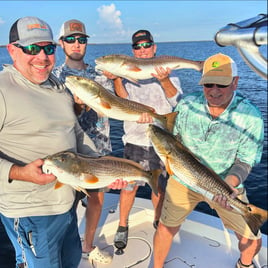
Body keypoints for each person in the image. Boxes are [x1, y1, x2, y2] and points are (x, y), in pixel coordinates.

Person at [0, 16, 126, 268]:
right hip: (31, 211)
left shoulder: (56, 85)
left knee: (69, 261)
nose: (42, 57)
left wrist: (105, 166)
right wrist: (18, 172)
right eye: (32, 48)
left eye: (48, 49)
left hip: (66, 204)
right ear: (12, 49)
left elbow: (75, 131)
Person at [153, 53, 264, 268]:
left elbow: (245, 160)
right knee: (165, 228)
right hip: (184, 180)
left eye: (221, 85)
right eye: (208, 84)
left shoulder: (251, 116)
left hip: (226, 186)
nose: (213, 91)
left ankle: (245, 264)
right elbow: (173, 139)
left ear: (235, 82)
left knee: (251, 240)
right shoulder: (187, 105)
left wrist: (229, 186)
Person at [107, 29, 182, 249]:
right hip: (135, 139)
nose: (142, 50)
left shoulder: (168, 71)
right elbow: (122, 100)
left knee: (159, 186)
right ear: (133, 51)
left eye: (146, 45)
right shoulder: (127, 73)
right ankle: (122, 225)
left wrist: (165, 79)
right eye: (138, 47)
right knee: (130, 186)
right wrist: (118, 79)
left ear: (154, 47)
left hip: (164, 141)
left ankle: (158, 220)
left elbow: (176, 100)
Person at [53, 19, 114, 264]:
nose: (76, 44)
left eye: (81, 39)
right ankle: (60, 250)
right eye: (71, 39)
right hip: (68, 152)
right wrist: (77, 108)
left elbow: (115, 105)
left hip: (100, 149)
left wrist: (117, 78)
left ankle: (87, 246)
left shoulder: (100, 75)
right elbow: (57, 121)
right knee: (64, 203)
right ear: (61, 43)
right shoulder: (54, 78)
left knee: (97, 199)